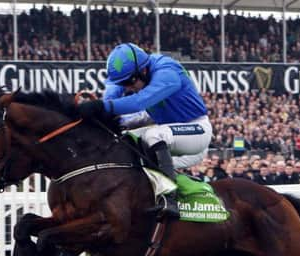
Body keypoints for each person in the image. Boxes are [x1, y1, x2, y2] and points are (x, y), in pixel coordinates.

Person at [76, 43, 212, 219]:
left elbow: (139, 101)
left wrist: (103, 106)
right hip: (162, 124)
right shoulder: (139, 71)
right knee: (124, 135)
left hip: (197, 132)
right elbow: (115, 88)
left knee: (153, 135)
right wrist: (106, 109)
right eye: (124, 83)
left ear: (143, 72)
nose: (127, 88)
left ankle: (169, 199)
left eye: (128, 83)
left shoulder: (167, 72)